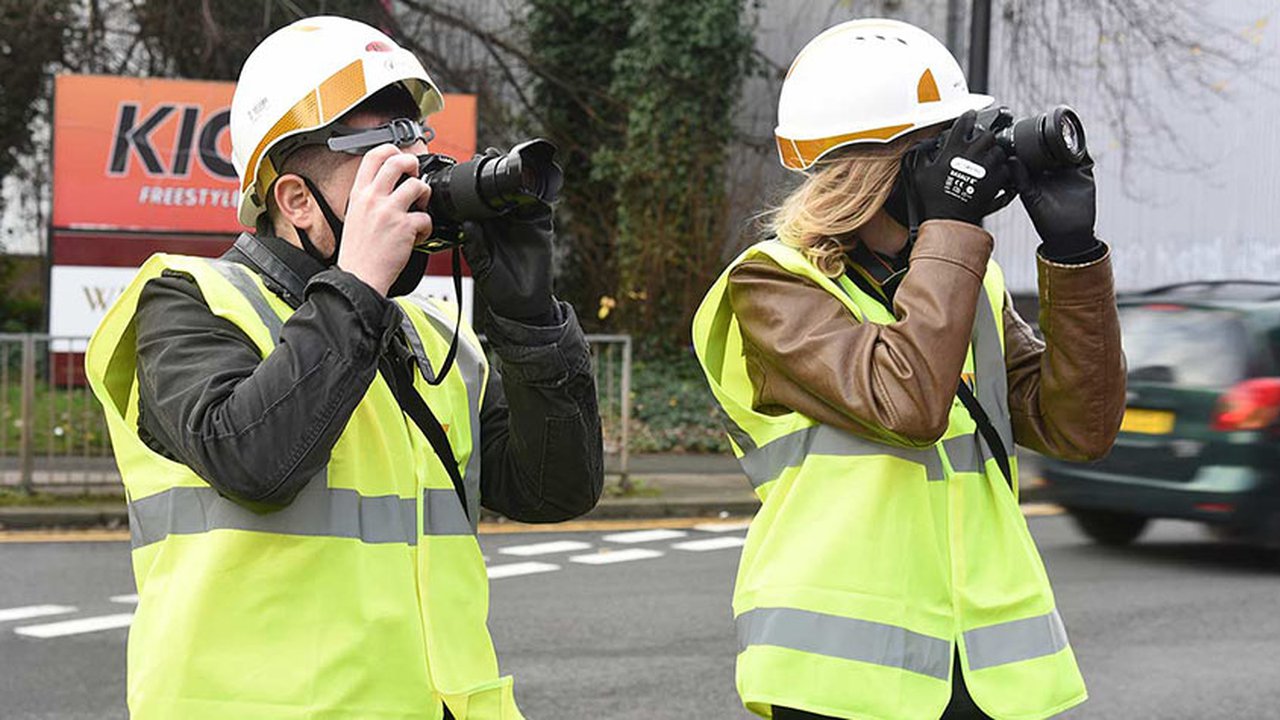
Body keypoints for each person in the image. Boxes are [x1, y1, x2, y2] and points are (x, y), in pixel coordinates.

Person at [85, 16, 602, 720]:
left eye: (417, 140)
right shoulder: (189, 302)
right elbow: (254, 462)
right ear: (296, 200)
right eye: (384, 147)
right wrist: (358, 281)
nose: (417, 167)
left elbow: (556, 489)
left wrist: (529, 318)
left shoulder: (425, 335)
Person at [691, 18, 1125, 720]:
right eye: (946, 146)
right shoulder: (773, 286)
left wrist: (1074, 256)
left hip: (987, 670)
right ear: (872, 169)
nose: (971, 167)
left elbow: (1081, 429)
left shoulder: (963, 281)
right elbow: (908, 404)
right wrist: (950, 228)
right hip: (842, 677)